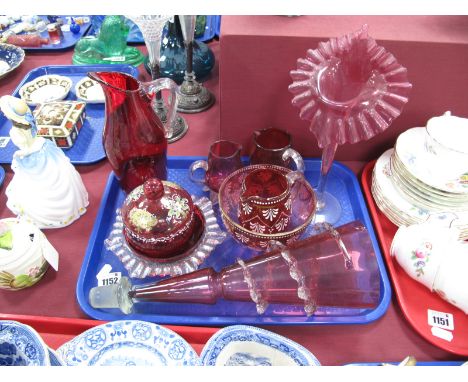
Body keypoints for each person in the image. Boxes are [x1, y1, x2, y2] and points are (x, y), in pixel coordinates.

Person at [0, 95, 89, 228]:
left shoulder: (17, 131)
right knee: (58, 176)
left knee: (40, 184)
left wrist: (18, 157)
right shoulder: (28, 123)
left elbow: (25, 147)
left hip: (31, 156)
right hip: (44, 148)